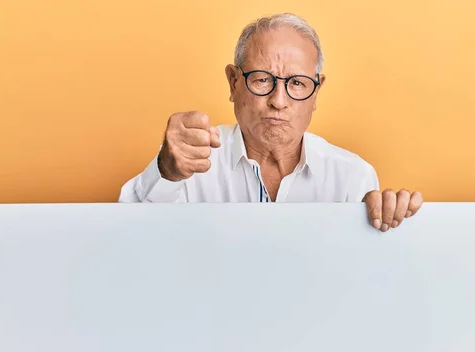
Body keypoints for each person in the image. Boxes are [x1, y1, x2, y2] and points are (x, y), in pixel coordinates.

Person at [119, 13, 423, 233]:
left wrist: (390, 221)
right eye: (262, 80)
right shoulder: (191, 163)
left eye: (298, 84)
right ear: (233, 82)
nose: (279, 100)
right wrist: (166, 171)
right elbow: (123, 233)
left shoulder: (351, 177)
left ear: (316, 92)